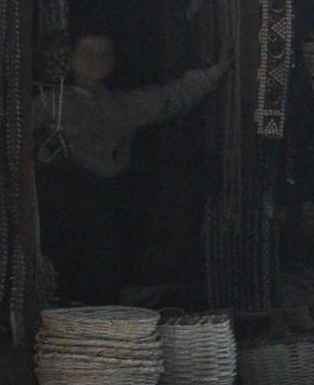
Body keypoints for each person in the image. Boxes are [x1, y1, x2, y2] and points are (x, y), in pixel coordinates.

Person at [34, 32, 228, 305]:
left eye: (103, 54)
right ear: (72, 59)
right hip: (63, 215)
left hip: (105, 213)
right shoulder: (48, 105)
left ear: (113, 61)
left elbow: (168, 99)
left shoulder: (120, 106)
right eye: (87, 52)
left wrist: (214, 74)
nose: (95, 60)